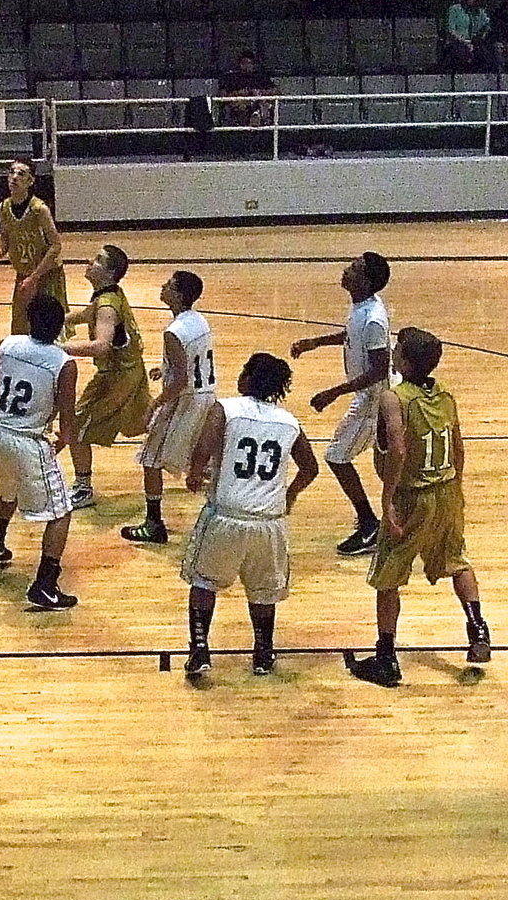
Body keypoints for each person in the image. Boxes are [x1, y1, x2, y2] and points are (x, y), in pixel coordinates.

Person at [349, 328, 492, 687]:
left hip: (411, 496)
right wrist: (455, 488)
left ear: (405, 361)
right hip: (445, 489)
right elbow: (459, 448)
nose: (393, 353)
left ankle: (386, 658)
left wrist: (387, 499)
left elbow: (396, 449)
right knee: (457, 561)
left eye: (397, 349)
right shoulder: (446, 395)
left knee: (388, 578)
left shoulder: (393, 399)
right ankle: (477, 629)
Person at [182, 352, 319, 677]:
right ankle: (263, 654)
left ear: (249, 378)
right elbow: (310, 468)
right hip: (269, 523)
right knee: (263, 590)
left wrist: (195, 472)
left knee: (204, 583)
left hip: (226, 516)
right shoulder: (290, 422)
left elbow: (203, 448)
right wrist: (290, 494)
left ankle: (200, 649)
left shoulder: (227, 409)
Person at [0, 294, 78, 610]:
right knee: (60, 512)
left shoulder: (8, 344)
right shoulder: (63, 362)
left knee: (10, 490)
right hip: (26, 440)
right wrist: (61, 441)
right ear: (60, 328)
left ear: (30, 321)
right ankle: (45, 584)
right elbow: (67, 417)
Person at [291, 251, 392, 555]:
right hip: (372, 396)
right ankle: (388, 521)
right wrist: (315, 343)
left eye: (355, 268)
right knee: (384, 463)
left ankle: (369, 525)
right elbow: (350, 335)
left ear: (367, 281)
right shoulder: (361, 308)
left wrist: (333, 392)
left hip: (372, 399)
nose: (347, 270)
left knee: (336, 456)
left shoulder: (374, 319)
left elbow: (378, 370)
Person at [120, 271, 216, 544]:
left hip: (185, 400)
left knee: (151, 459)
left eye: (169, 285)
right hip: (206, 397)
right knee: (202, 462)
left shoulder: (174, 332)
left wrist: (155, 403)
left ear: (179, 294)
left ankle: (154, 525)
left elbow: (183, 378)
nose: (163, 286)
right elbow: (192, 362)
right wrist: (164, 370)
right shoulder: (199, 321)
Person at [62, 244, 150, 510]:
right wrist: (55, 322)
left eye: (98, 260)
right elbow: (86, 315)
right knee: (145, 423)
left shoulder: (107, 307)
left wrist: (58, 348)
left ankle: (83, 487)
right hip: (132, 370)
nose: (90, 261)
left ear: (110, 272)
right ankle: (201, 456)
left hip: (117, 377)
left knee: (75, 427)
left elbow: (101, 346)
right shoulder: (108, 294)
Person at [0, 158, 69, 337]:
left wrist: (35, 276)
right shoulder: (3, 208)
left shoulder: (39, 209)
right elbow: (5, 241)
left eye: (21, 174)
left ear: (30, 181)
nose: (14, 177)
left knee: (49, 329)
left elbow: (56, 245)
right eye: (12, 172)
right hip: (24, 274)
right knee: (20, 327)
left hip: (47, 274)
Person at [217, 51, 277, 128]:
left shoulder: (261, 77)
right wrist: (238, 93)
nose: (247, 66)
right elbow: (221, 95)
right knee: (241, 106)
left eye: (250, 63)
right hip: (239, 105)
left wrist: (261, 92)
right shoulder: (231, 77)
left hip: (259, 104)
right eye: (244, 63)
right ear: (239, 64)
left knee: (266, 106)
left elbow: (277, 91)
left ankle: (258, 119)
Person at [444, 0, 493, 71]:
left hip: (474, 45)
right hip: (457, 44)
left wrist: (482, 35)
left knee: (487, 54)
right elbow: (451, 31)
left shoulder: (479, 12)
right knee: (463, 52)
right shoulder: (455, 9)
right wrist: (464, 42)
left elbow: (488, 26)